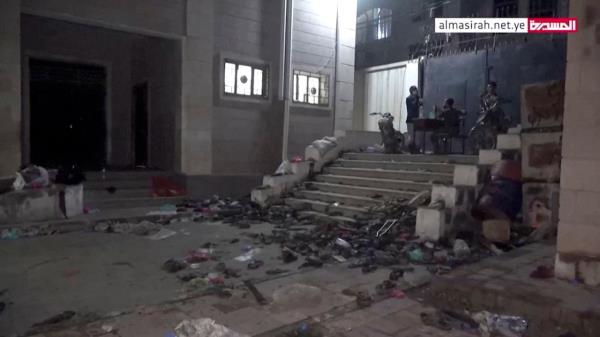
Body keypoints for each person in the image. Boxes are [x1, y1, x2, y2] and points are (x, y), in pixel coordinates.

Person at [405, 86, 422, 153]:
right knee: (411, 136)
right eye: (415, 90)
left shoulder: (416, 98)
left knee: (417, 136)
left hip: (416, 119)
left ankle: (416, 149)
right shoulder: (409, 98)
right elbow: (413, 106)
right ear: (412, 91)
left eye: (416, 90)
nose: (416, 91)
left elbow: (420, 105)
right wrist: (417, 99)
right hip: (410, 119)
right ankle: (408, 148)